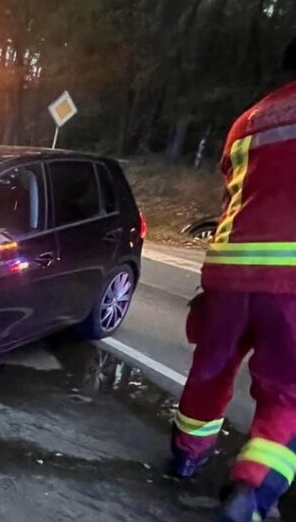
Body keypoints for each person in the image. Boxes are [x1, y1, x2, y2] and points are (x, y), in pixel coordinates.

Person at [171, 36, 296, 522]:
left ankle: (185, 458)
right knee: (285, 393)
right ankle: (249, 496)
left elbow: (235, 190)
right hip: (289, 284)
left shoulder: (249, 120)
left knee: (211, 369)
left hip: (228, 270)